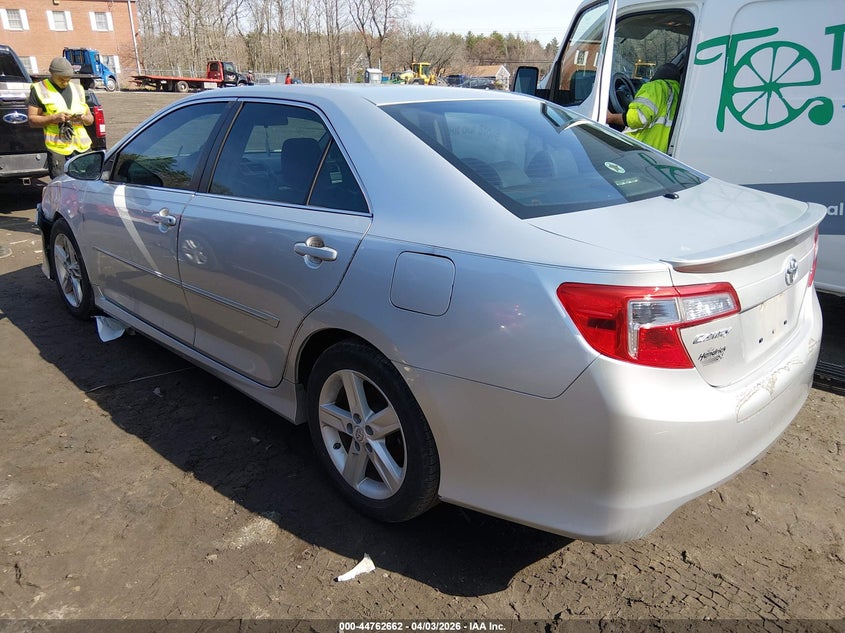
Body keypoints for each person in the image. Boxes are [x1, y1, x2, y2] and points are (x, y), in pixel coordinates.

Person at [27, 57, 94, 178]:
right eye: (61, 79)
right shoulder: (39, 89)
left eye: (68, 79)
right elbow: (32, 120)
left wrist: (83, 118)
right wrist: (53, 118)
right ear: (52, 74)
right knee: (62, 185)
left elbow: (90, 119)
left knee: (88, 184)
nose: (65, 82)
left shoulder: (78, 89)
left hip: (82, 148)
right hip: (58, 150)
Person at [606, 63, 681, 153]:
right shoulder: (679, 93)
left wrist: (611, 118)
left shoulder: (656, 86)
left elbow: (637, 118)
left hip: (638, 149)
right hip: (659, 154)